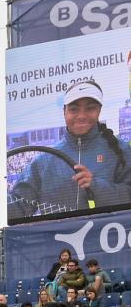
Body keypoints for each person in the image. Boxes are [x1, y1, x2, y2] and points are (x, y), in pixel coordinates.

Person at [10, 80, 131, 218]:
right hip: (57, 239)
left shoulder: (121, 151)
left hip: (109, 238)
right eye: (74, 109)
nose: (81, 116)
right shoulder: (43, 160)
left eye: (90, 108)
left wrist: (95, 185)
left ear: (99, 110)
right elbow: (18, 207)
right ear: (64, 112)